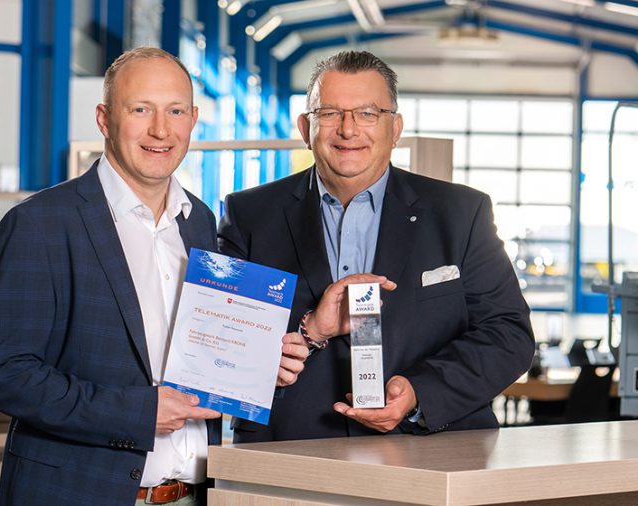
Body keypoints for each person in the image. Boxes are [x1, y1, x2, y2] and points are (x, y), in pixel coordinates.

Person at [0, 47, 308, 506]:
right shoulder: (41, 223)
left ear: (193, 120)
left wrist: (259, 363)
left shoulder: (199, 221)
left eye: (175, 111)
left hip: (194, 495)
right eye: (140, 110)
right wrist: (138, 412)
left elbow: (201, 355)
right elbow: (3, 374)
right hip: (80, 494)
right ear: (104, 119)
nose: (160, 130)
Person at [218, 50, 535, 443]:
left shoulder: (461, 213)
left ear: (395, 128)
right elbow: (222, 343)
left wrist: (419, 392)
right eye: (329, 113)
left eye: (368, 113)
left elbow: (508, 335)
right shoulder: (249, 215)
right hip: (290, 448)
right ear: (305, 127)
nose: (348, 130)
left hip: (429, 449)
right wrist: (309, 330)